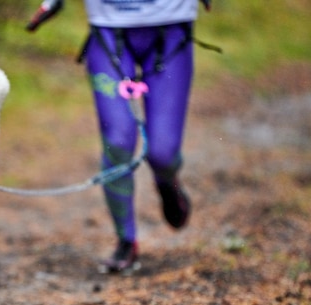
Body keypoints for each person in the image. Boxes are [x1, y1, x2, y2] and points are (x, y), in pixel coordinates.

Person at [27, 0, 211, 273]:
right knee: (118, 141)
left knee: (163, 153)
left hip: (172, 23)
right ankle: (126, 240)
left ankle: (167, 181)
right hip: (108, 27)